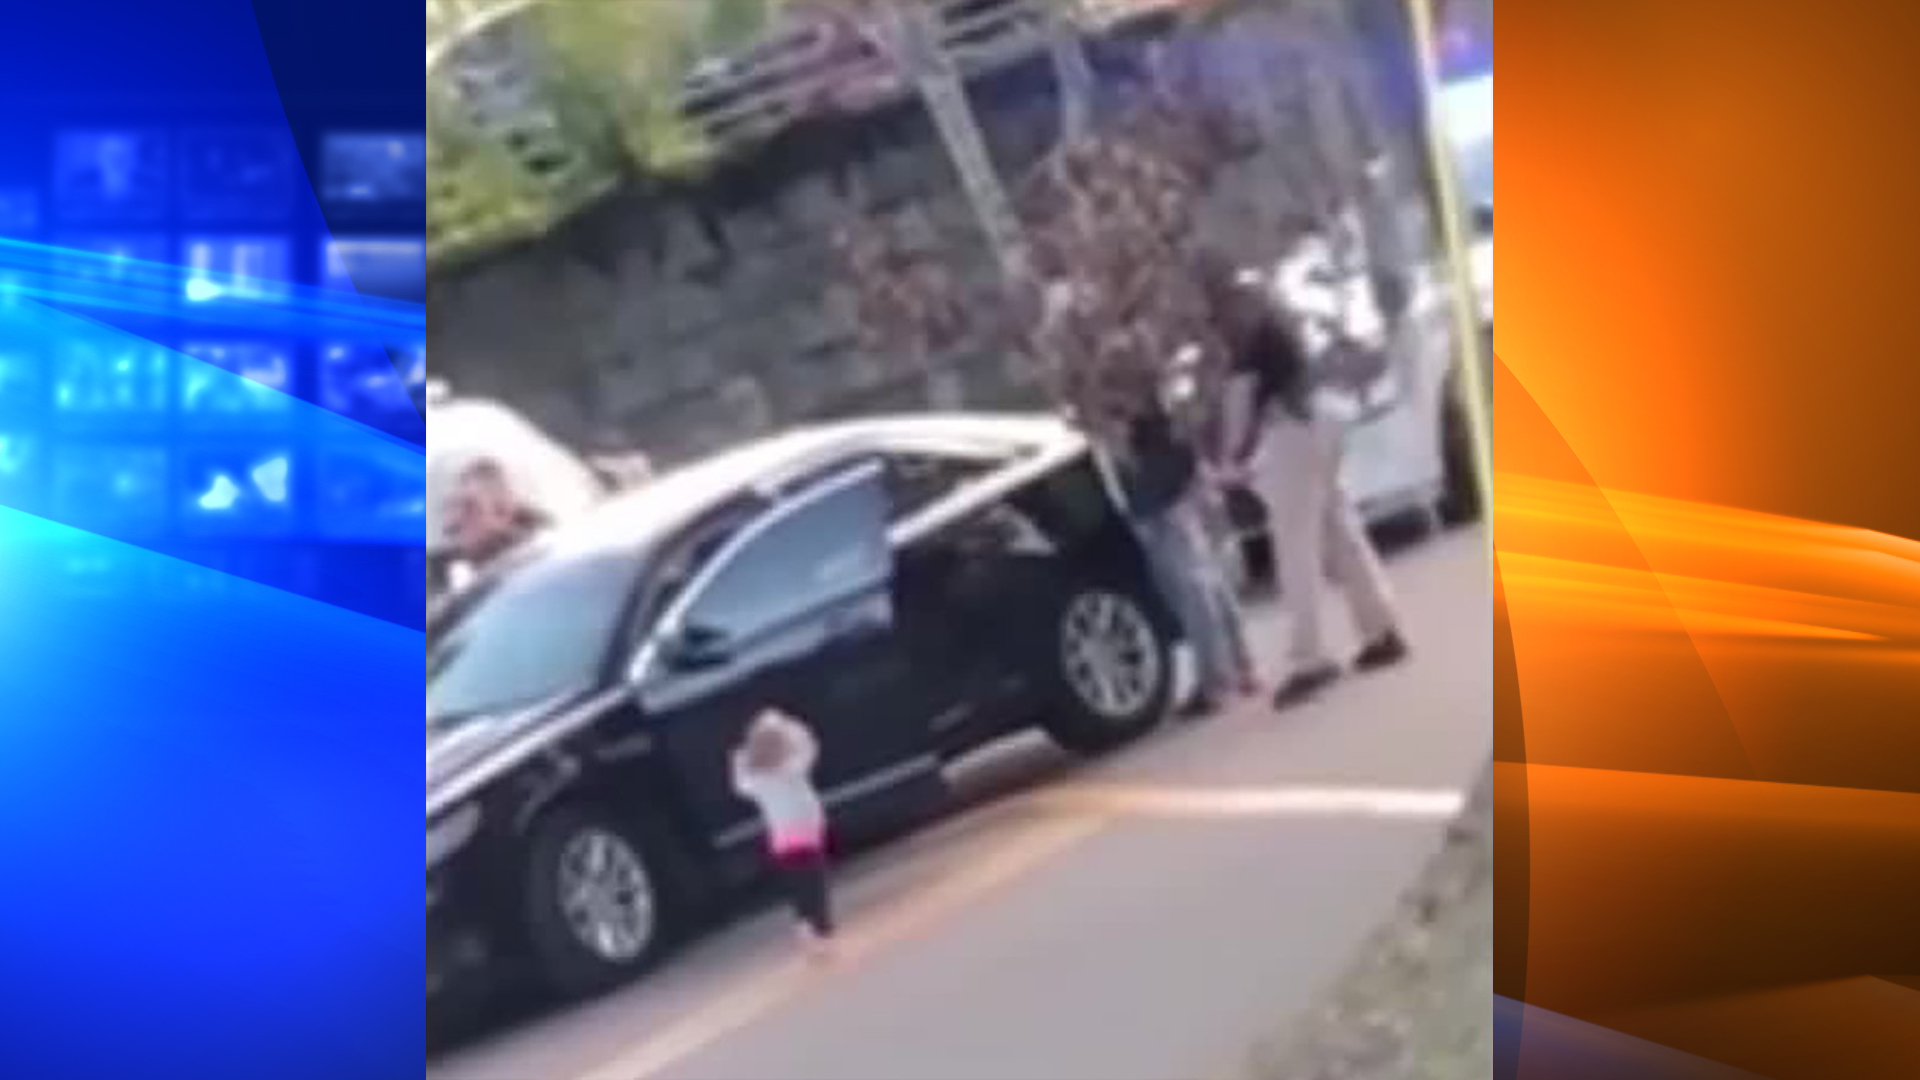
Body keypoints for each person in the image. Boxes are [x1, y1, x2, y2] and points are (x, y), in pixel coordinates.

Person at [1204, 253, 1409, 711]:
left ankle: (1310, 659)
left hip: (1293, 433)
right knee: (1340, 532)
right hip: (1322, 420)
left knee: (1295, 548)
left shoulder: (1250, 338)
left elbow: (1240, 401)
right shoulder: (1276, 322)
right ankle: (1381, 628)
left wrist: (1228, 460)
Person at [1113, 396, 1259, 718]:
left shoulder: (1117, 372)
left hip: (1162, 496)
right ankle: (1240, 668)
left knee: (1196, 595)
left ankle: (1215, 682)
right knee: (1212, 587)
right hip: (1178, 482)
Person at [731, 708, 836, 962]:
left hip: (782, 841)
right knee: (816, 884)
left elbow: (739, 785)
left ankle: (804, 924)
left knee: (799, 887)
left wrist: (739, 759)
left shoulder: (758, 780)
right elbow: (809, 746)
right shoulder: (791, 769)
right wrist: (791, 725)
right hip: (807, 833)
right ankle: (821, 929)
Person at [439, 457, 551, 593]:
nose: (452, 522)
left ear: (503, 513)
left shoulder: (540, 573)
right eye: (451, 507)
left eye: (469, 508)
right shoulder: (458, 579)